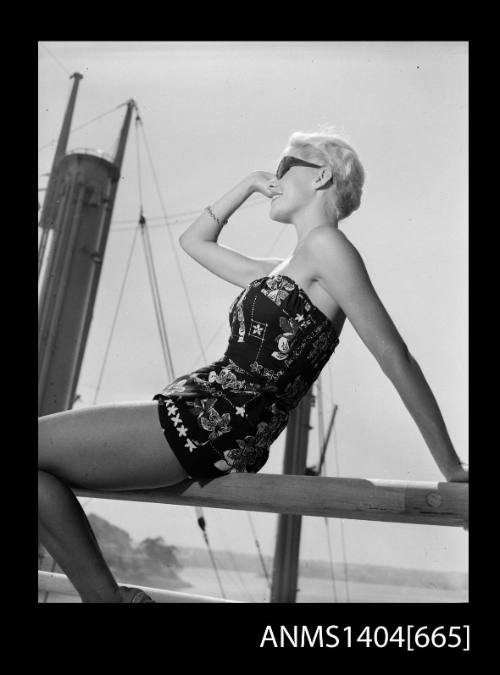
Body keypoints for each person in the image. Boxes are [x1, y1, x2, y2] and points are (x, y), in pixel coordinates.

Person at [38, 130, 468, 603]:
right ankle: (106, 599)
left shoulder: (328, 247)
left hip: (216, 418)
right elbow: (194, 241)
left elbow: (394, 356)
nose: (274, 178)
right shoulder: (286, 267)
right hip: (212, 414)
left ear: (321, 175)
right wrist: (246, 185)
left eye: (285, 166)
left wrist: (449, 464)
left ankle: (108, 600)